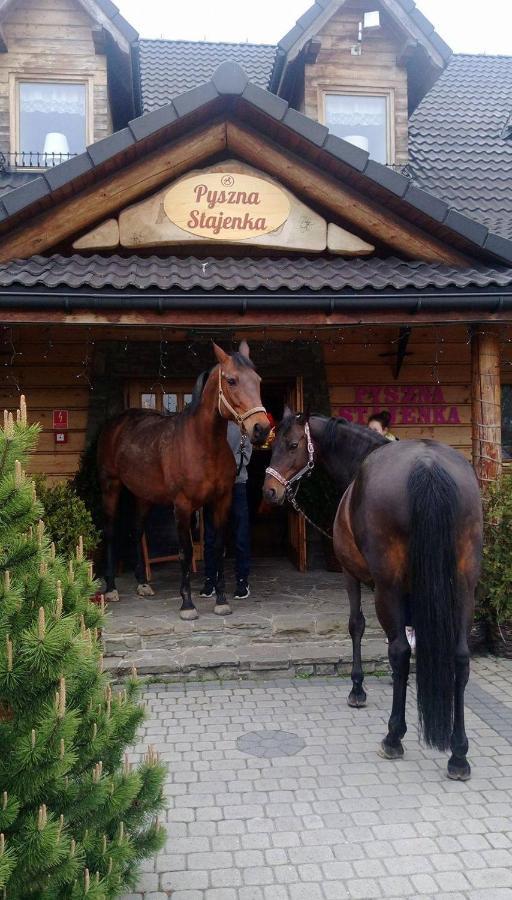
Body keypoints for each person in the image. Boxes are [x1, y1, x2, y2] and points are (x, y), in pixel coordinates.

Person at [200, 421, 253, 601]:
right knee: (210, 534)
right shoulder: (209, 426)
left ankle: (242, 580)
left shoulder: (242, 426)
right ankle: (210, 579)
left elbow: (246, 455)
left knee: (240, 534)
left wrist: (225, 468)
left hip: (236, 483)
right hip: (212, 487)